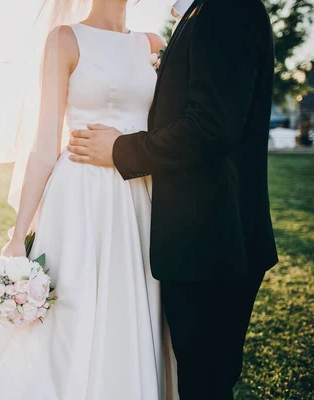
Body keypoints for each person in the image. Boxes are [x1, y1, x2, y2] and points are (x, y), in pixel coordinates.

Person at [0, 0, 179, 399]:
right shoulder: (65, 39)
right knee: (73, 313)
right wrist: (18, 233)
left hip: (139, 198)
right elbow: (43, 145)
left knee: (134, 307)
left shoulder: (154, 44)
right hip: (81, 200)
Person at [67, 0, 278, 398]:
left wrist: (120, 150)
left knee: (204, 383)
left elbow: (210, 127)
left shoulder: (228, 9)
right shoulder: (205, 11)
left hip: (213, 240)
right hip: (205, 240)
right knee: (201, 379)